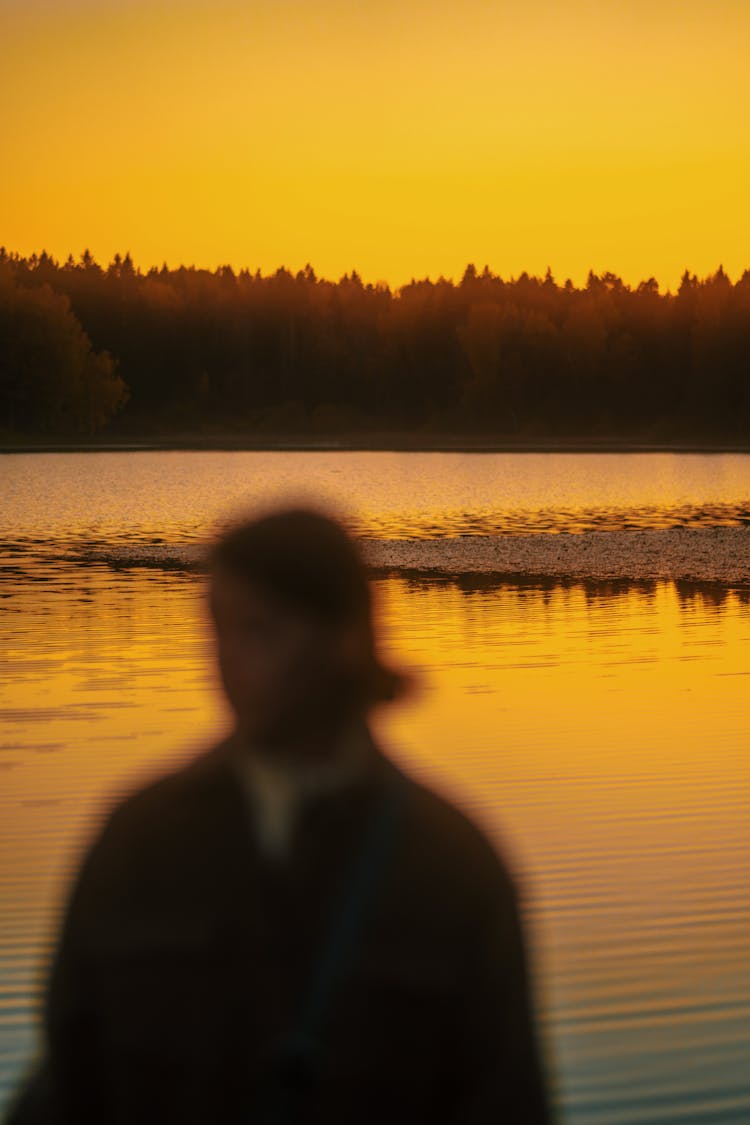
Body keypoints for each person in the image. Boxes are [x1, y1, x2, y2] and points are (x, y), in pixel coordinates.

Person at [5, 503, 554, 1125]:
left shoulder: (453, 866)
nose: (227, 659)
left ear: (346, 640)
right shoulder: (139, 838)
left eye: (259, 630)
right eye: (219, 629)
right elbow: (71, 1080)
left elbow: (506, 1101)